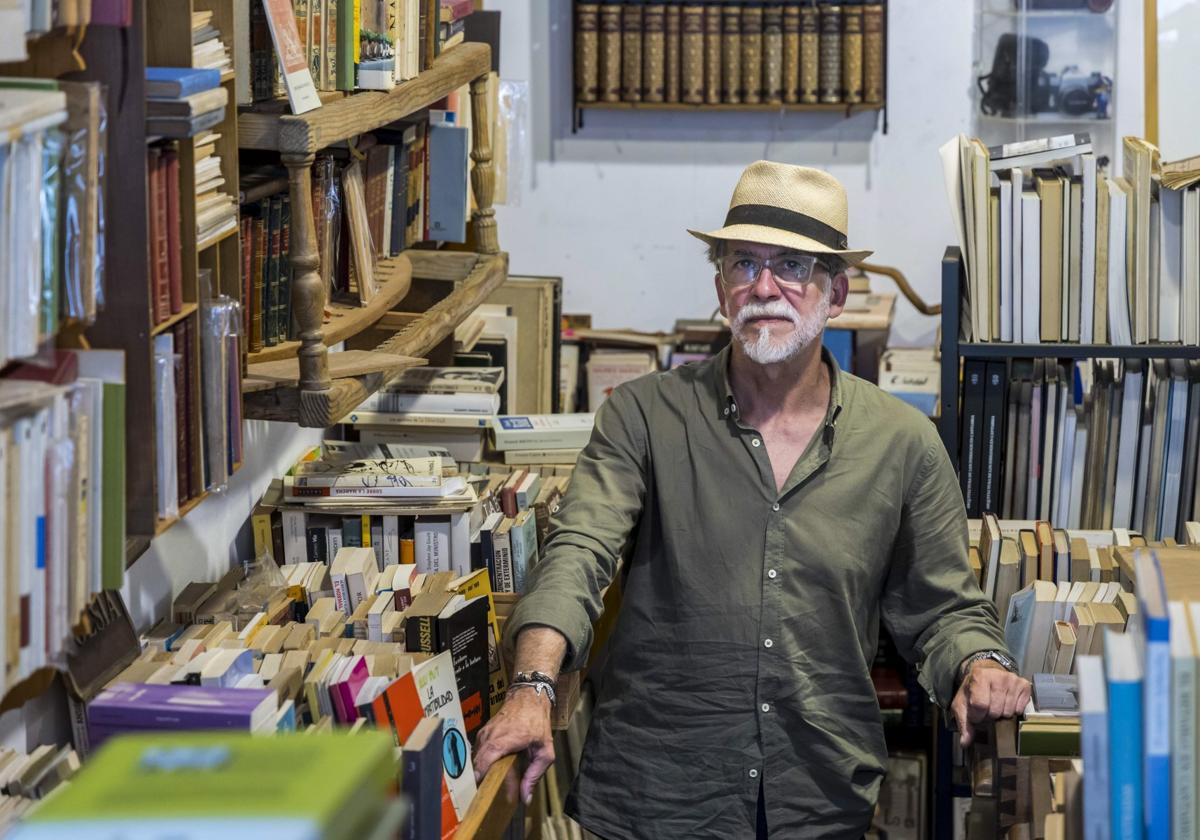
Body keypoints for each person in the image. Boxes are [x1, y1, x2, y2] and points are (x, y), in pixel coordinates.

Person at [472, 161, 1030, 839]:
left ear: (837, 294)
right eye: (744, 264)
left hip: (821, 797)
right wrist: (532, 688)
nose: (765, 287)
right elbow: (579, 549)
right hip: (658, 797)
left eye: (792, 266)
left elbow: (941, 606)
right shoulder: (644, 415)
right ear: (720, 287)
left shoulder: (902, 443)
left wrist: (981, 664)